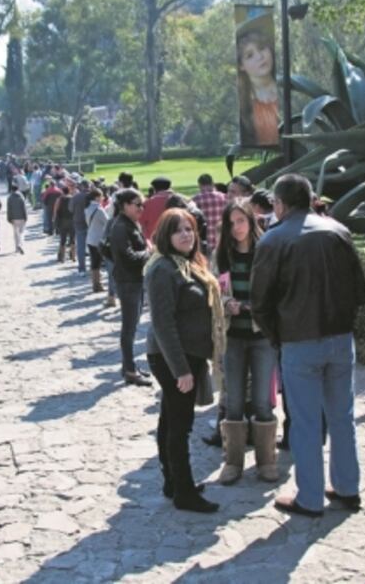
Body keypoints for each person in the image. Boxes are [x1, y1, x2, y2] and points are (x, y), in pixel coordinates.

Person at [250, 173, 365, 517]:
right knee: (342, 416)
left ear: (280, 204)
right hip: (339, 337)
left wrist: (277, 337)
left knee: (305, 422)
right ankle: (348, 487)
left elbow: (260, 302)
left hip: (298, 341)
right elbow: (360, 290)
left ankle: (310, 497)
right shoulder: (337, 231)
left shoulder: (273, 240)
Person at [145, 207, 225, 514]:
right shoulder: (162, 270)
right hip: (172, 357)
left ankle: (173, 482)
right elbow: (163, 324)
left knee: (170, 419)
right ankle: (184, 492)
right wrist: (181, 370)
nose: (186, 235)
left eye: (190, 229)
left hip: (188, 354)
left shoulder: (188, 265)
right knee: (180, 425)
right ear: (166, 235)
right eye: (178, 230)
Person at [214, 201, 278, 485]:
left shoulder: (266, 252)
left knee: (263, 401)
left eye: (241, 220)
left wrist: (256, 306)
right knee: (234, 401)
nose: (236, 227)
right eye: (231, 222)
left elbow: (279, 289)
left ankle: (266, 461)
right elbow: (214, 289)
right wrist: (228, 303)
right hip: (233, 336)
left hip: (261, 336)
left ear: (251, 221)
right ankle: (232, 461)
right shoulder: (222, 254)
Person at [110, 188, 152, 386]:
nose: (141, 208)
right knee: (129, 327)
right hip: (128, 282)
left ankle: (130, 365)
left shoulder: (128, 223)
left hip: (133, 280)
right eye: (137, 204)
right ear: (125, 205)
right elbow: (128, 257)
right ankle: (129, 370)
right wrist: (148, 252)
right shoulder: (120, 226)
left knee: (132, 326)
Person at [237, 23, 280, 147]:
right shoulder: (243, 105)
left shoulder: (292, 89)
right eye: (250, 55)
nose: (260, 57)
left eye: (262, 48)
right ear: (241, 66)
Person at [192, 173, 228, 255]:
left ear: (200, 185)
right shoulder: (224, 197)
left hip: (204, 241)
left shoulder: (196, 199)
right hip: (221, 240)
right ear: (212, 183)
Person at [84, 187, 108, 293]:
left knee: (94, 262)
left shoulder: (88, 208)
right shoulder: (99, 210)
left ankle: (95, 283)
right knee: (98, 263)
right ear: (97, 197)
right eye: (101, 196)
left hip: (90, 237)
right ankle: (98, 284)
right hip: (98, 238)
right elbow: (108, 222)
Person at [71, 180, 91, 275]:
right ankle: (95, 267)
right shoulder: (93, 196)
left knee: (81, 246)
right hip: (92, 222)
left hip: (79, 222)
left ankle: (82, 268)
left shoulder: (76, 197)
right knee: (93, 246)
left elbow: (70, 209)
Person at [6, 182, 28, 254]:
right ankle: (20, 245)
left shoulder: (9, 198)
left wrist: (9, 218)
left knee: (16, 233)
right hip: (21, 217)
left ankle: (16, 247)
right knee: (21, 233)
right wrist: (26, 217)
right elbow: (24, 208)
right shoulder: (21, 197)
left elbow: (9, 209)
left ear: (12, 190)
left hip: (14, 218)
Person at [54, 186, 74, 263]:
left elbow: (55, 211)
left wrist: (55, 220)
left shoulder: (59, 199)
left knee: (63, 240)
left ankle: (62, 257)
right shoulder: (73, 199)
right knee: (72, 240)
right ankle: (73, 256)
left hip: (62, 221)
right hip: (72, 221)